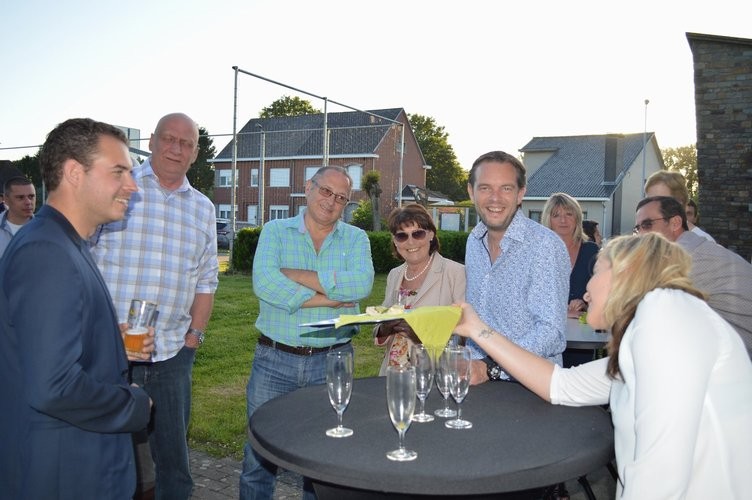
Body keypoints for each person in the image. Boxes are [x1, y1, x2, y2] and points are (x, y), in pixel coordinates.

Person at [453, 233, 752, 498]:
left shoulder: (665, 314)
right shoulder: (654, 330)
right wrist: (477, 329)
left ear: (626, 271)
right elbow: (561, 385)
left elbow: (661, 473)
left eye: (594, 273)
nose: (585, 292)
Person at [0, 118, 154, 499]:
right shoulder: (48, 251)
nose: (133, 185)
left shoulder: (62, 242)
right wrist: (134, 403)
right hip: (66, 473)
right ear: (73, 172)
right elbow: (53, 386)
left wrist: (109, 342)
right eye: (119, 171)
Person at [91, 112, 219, 500]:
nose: (176, 149)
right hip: (112, 351)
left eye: (186, 143)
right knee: (104, 454)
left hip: (172, 355)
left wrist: (194, 338)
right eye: (169, 139)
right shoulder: (120, 189)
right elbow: (82, 260)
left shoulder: (203, 208)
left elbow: (206, 280)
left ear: (195, 153)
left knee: (174, 464)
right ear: (151, 141)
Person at [240, 165, 375, 499]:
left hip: (333, 362)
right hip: (274, 360)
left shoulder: (356, 238)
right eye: (326, 191)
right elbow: (265, 283)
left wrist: (296, 275)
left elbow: (361, 284)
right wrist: (329, 299)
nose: (331, 202)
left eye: (341, 198)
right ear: (308, 188)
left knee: (321, 462)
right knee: (258, 460)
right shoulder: (275, 230)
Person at [464, 151, 570, 385]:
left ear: (520, 193)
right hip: (476, 381)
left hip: (528, 388)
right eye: (485, 188)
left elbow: (551, 333)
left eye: (506, 188)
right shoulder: (473, 241)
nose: (495, 198)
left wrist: (491, 367)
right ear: (471, 192)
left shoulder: (545, 246)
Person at [635, 195, 752, 358]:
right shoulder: (697, 248)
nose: (641, 233)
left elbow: (643, 312)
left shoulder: (685, 258)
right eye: (638, 228)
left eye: (647, 225)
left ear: (675, 223)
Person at [373, 203, 466, 374]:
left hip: (435, 373)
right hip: (392, 373)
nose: (410, 242)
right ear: (395, 241)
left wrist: (422, 337)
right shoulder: (394, 275)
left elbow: (464, 333)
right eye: (402, 236)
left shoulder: (456, 273)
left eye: (418, 233)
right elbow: (380, 321)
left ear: (431, 234)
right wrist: (384, 329)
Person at [542, 193, 599, 317]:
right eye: (556, 215)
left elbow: (604, 294)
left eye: (569, 214)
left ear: (577, 218)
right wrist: (564, 312)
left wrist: (585, 304)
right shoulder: (538, 254)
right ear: (548, 220)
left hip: (583, 327)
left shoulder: (591, 252)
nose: (563, 220)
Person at [644, 170, 715, 242]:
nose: (650, 207)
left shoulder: (702, 242)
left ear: (679, 203)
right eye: (647, 202)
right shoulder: (647, 238)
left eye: (659, 201)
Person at [0, 176, 36, 257]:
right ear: (6, 199)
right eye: (20, 197)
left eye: (31, 196)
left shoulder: (44, 228)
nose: (28, 202)